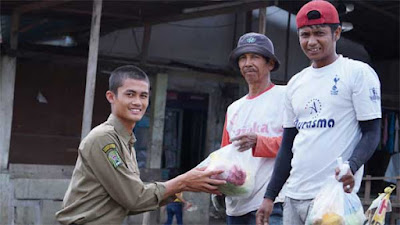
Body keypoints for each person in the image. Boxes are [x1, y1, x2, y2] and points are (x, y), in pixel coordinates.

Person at [256, 1, 382, 224]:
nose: (311, 41)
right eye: (305, 35)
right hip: (293, 197)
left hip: (333, 198)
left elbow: (372, 133)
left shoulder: (357, 73)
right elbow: (288, 146)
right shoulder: (296, 83)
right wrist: (270, 196)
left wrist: (351, 166)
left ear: (337, 33)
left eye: (319, 33)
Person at [56, 65, 226, 225]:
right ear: (111, 97)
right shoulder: (104, 139)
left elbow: (127, 203)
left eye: (143, 96)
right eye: (130, 94)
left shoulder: (126, 141)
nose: (138, 102)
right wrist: (183, 181)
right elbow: (134, 199)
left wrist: (179, 189)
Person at [220, 32, 286, 225]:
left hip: (272, 201)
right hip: (236, 203)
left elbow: (297, 144)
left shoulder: (285, 97)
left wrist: (259, 142)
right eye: (243, 58)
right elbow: (225, 155)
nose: (247, 63)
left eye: (255, 57)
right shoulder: (234, 109)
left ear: (270, 64)